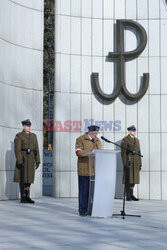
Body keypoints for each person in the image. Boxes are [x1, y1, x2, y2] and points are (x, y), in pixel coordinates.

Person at [75, 125, 102, 216]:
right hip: (84, 169)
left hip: (95, 170)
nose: (96, 135)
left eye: (97, 133)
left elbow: (101, 153)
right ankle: (82, 210)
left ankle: (92, 209)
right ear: (89, 132)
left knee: (93, 193)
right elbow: (78, 152)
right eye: (94, 133)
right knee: (84, 191)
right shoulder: (81, 139)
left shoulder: (98, 141)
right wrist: (90, 153)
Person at [13, 119, 40, 203]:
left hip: (31, 159)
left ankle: (28, 196)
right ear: (23, 126)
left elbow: (36, 148)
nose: (29, 127)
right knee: (22, 178)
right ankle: (23, 196)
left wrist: (38, 160)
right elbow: (17, 150)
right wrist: (19, 161)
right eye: (27, 126)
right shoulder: (19, 136)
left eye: (29, 126)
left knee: (29, 179)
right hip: (23, 159)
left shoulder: (34, 136)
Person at [121, 125, 142, 201]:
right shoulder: (125, 139)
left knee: (134, 179)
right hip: (129, 162)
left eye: (135, 131)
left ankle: (132, 194)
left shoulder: (137, 140)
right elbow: (123, 153)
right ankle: (128, 195)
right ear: (129, 131)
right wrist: (125, 163)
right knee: (128, 179)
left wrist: (140, 163)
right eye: (133, 131)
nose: (134, 132)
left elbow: (139, 152)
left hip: (136, 162)